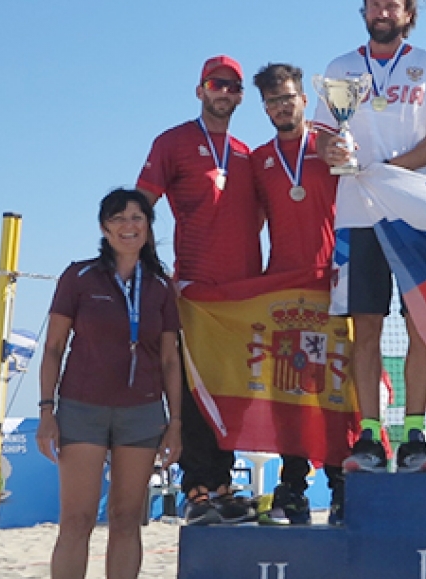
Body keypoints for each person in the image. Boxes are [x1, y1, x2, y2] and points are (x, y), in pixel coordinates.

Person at [36, 189, 182, 579]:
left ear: (148, 226)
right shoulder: (78, 277)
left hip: (141, 413)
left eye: (138, 217)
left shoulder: (160, 285)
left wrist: (174, 423)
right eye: (118, 218)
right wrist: (47, 411)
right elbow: (54, 348)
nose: (128, 225)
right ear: (104, 227)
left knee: (125, 521)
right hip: (82, 410)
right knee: (76, 520)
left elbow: (171, 360)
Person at [314, 0, 426, 473]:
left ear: (409, 12)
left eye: (393, 3)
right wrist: (331, 147)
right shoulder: (340, 67)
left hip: (415, 213)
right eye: (375, 3)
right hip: (357, 213)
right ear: (365, 11)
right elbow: (320, 136)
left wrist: (391, 171)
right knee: (365, 327)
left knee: (420, 326)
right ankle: (370, 435)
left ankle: (415, 433)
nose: (383, 10)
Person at [136, 55, 264, 525]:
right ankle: (198, 489)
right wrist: (151, 266)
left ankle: (225, 484)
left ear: (240, 96)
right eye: (216, 84)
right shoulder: (172, 142)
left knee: (234, 392)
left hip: (244, 296)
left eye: (232, 87)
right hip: (194, 292)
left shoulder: (250, 154)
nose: (224, 93)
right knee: (193, 393)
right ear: (200, 90)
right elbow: (139, 207)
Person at [250, 62, 350, 525]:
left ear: (304, 100)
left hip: (329, 288)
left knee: (332, 392)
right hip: (282, 292)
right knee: (290, 392)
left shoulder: (329, 146)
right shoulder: (258, 160)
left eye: (287, 97)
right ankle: (291, 489)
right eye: (272, 101)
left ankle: (341, 485)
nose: (281, 106)